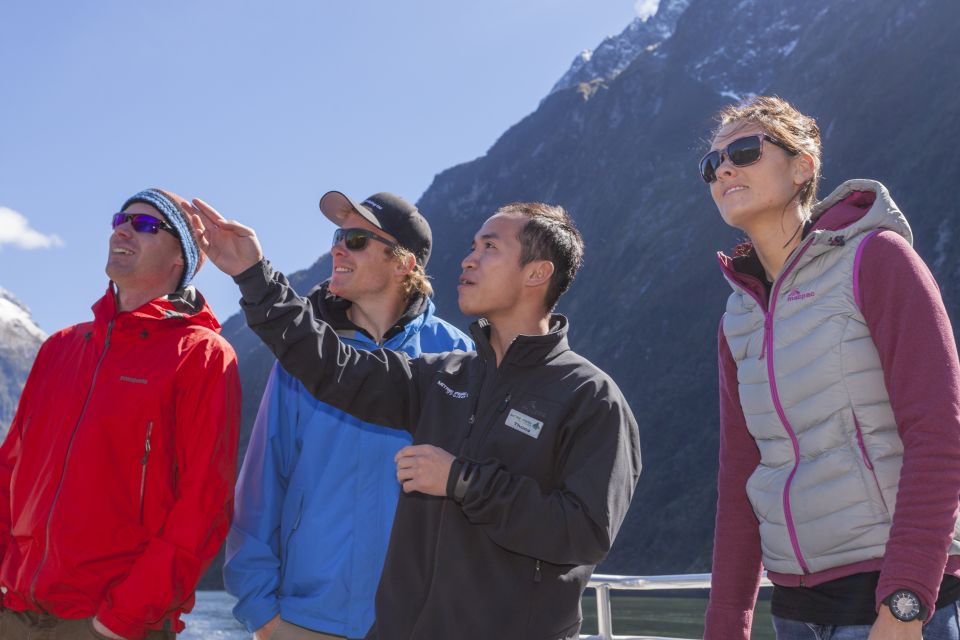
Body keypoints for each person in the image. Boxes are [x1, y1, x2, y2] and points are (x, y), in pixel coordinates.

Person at [186, 196, 641, 640]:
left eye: (489, 248)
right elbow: (331, 366)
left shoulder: (590, 397)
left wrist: (462, 481)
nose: (468, 260)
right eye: (472, 246)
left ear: (537, 273)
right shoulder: (443, 376)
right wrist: (253, 276)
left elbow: (584, 534)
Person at [701, 96, 960, 640]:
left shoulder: (876, 259)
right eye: (713, 163)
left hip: (894, 603)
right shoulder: (738, 317)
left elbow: (939, 432)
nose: (724, 168)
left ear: (803, 167)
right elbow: (741, 477)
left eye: (745, 150)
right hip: (794, 612)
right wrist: (726, 623)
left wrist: (906, 601)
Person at [223, 191, 473, 640]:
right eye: (339, 236)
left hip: (423, 621)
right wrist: (261, 611)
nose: (337, 247)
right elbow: (261, 484)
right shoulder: (302, 356)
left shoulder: (457, 354)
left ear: (404, 264)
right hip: (307, 619)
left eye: (356, 238)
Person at [0, 188, 241, 640]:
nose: (123, 230)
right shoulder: (61, 348)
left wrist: (124, 617)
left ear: (179, 260)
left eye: (146, 225)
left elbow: (204, 501)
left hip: (109, 623)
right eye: (120, 219)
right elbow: (8, 470)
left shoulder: (203, 355)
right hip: (13, 613)